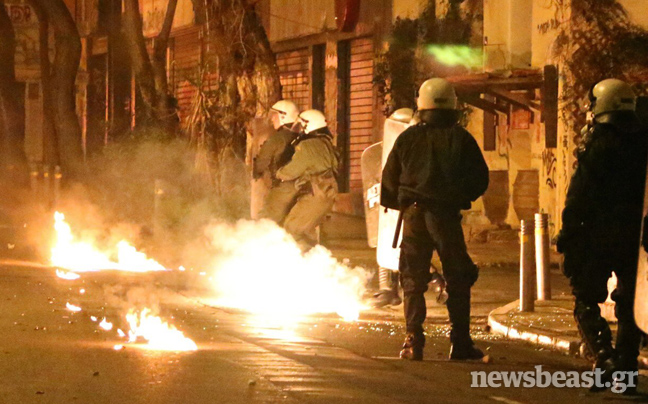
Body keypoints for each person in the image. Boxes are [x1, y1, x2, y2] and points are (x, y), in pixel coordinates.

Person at [381, 78, 489, 361]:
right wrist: (459, 198)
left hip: (414, 216)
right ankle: (461, 343)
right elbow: (480, 179)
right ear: (453, 105)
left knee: (413, 279)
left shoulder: (407, 138)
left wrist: (402, 203)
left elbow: (388, 182)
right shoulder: (462, 138)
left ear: (421, 105)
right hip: (446, 216)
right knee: (458, 276)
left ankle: (413, 341)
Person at [557, 78, 647, 393]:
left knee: (585, 299)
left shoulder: (597, 144)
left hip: (595, 233)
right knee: (628, 303)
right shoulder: (642, 144)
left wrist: (568, 233)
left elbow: (579, 195)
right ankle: (625, 368)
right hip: (634, 235)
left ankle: (604, 357)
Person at [276, 110, 338, 249]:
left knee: (291, 229)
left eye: (301, 126)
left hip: (315, 194)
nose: (298, 131)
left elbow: (291, 171)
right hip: (327, 194)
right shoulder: (326, 143)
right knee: (307, 231)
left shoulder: (307, 146)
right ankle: (315, 263)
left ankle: (302, 263)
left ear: (308, 126)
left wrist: (278, 173)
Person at [253, 100, 301, 225]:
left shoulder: (277, 139)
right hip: (304, 187)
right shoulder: (302, 136)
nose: (272, 119)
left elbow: (261, 162)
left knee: (266, 223)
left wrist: (257, 171)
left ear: (283, 116)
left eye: (274, 116)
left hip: (283, 187)